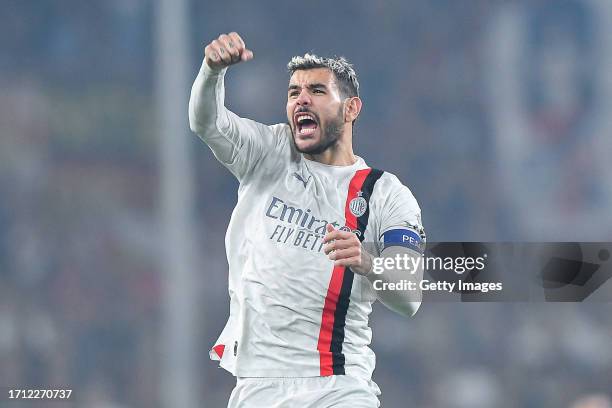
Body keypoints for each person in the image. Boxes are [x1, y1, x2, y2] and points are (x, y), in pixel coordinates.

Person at [189, 31, 425, 408]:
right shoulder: (268, 152)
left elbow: (409, 293)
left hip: (338, 386)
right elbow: (207, 124)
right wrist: (212, 71)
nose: (300, 98)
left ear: (351, 109)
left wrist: (366, 261)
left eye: (316, 91)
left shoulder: (385, 193)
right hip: (257, 385)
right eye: (293, 92)